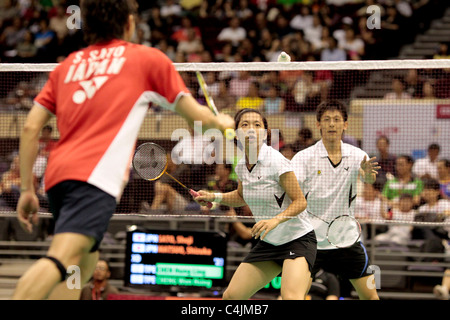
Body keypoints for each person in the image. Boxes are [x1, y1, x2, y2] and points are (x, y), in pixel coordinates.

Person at [13, 0, 234, 300]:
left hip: (57, 178)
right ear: (129, 24)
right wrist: (220, 122)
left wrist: (28, 188)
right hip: (92, 179)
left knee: (82, 263)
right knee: (59, 258)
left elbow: (29, 128)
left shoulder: (67, 66)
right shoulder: (146, 60)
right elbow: (199, 118)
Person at [194, 108, 317, 300]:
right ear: (236, 133)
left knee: (291, 298)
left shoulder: (276, 161)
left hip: (298, 239)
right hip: (270, 242)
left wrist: (274, 221)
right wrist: (213, 197)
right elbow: (242, 196)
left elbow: (300, 202)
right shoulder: (242, 165)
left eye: (257, 125)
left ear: (266, 133)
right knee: (231, 297)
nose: (251, 129)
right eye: (245, 124)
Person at [291, 99, 380, 300]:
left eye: (337, 119)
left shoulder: (357, 155)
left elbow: (368, 179)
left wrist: (367, 175)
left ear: (345, 125)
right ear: (318, 124)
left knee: (371, 297)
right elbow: (293, 191)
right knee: (292, 296)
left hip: (346, 240)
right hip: (309, 240)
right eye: (327, 119)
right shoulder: (304, 157)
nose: (332, 124)